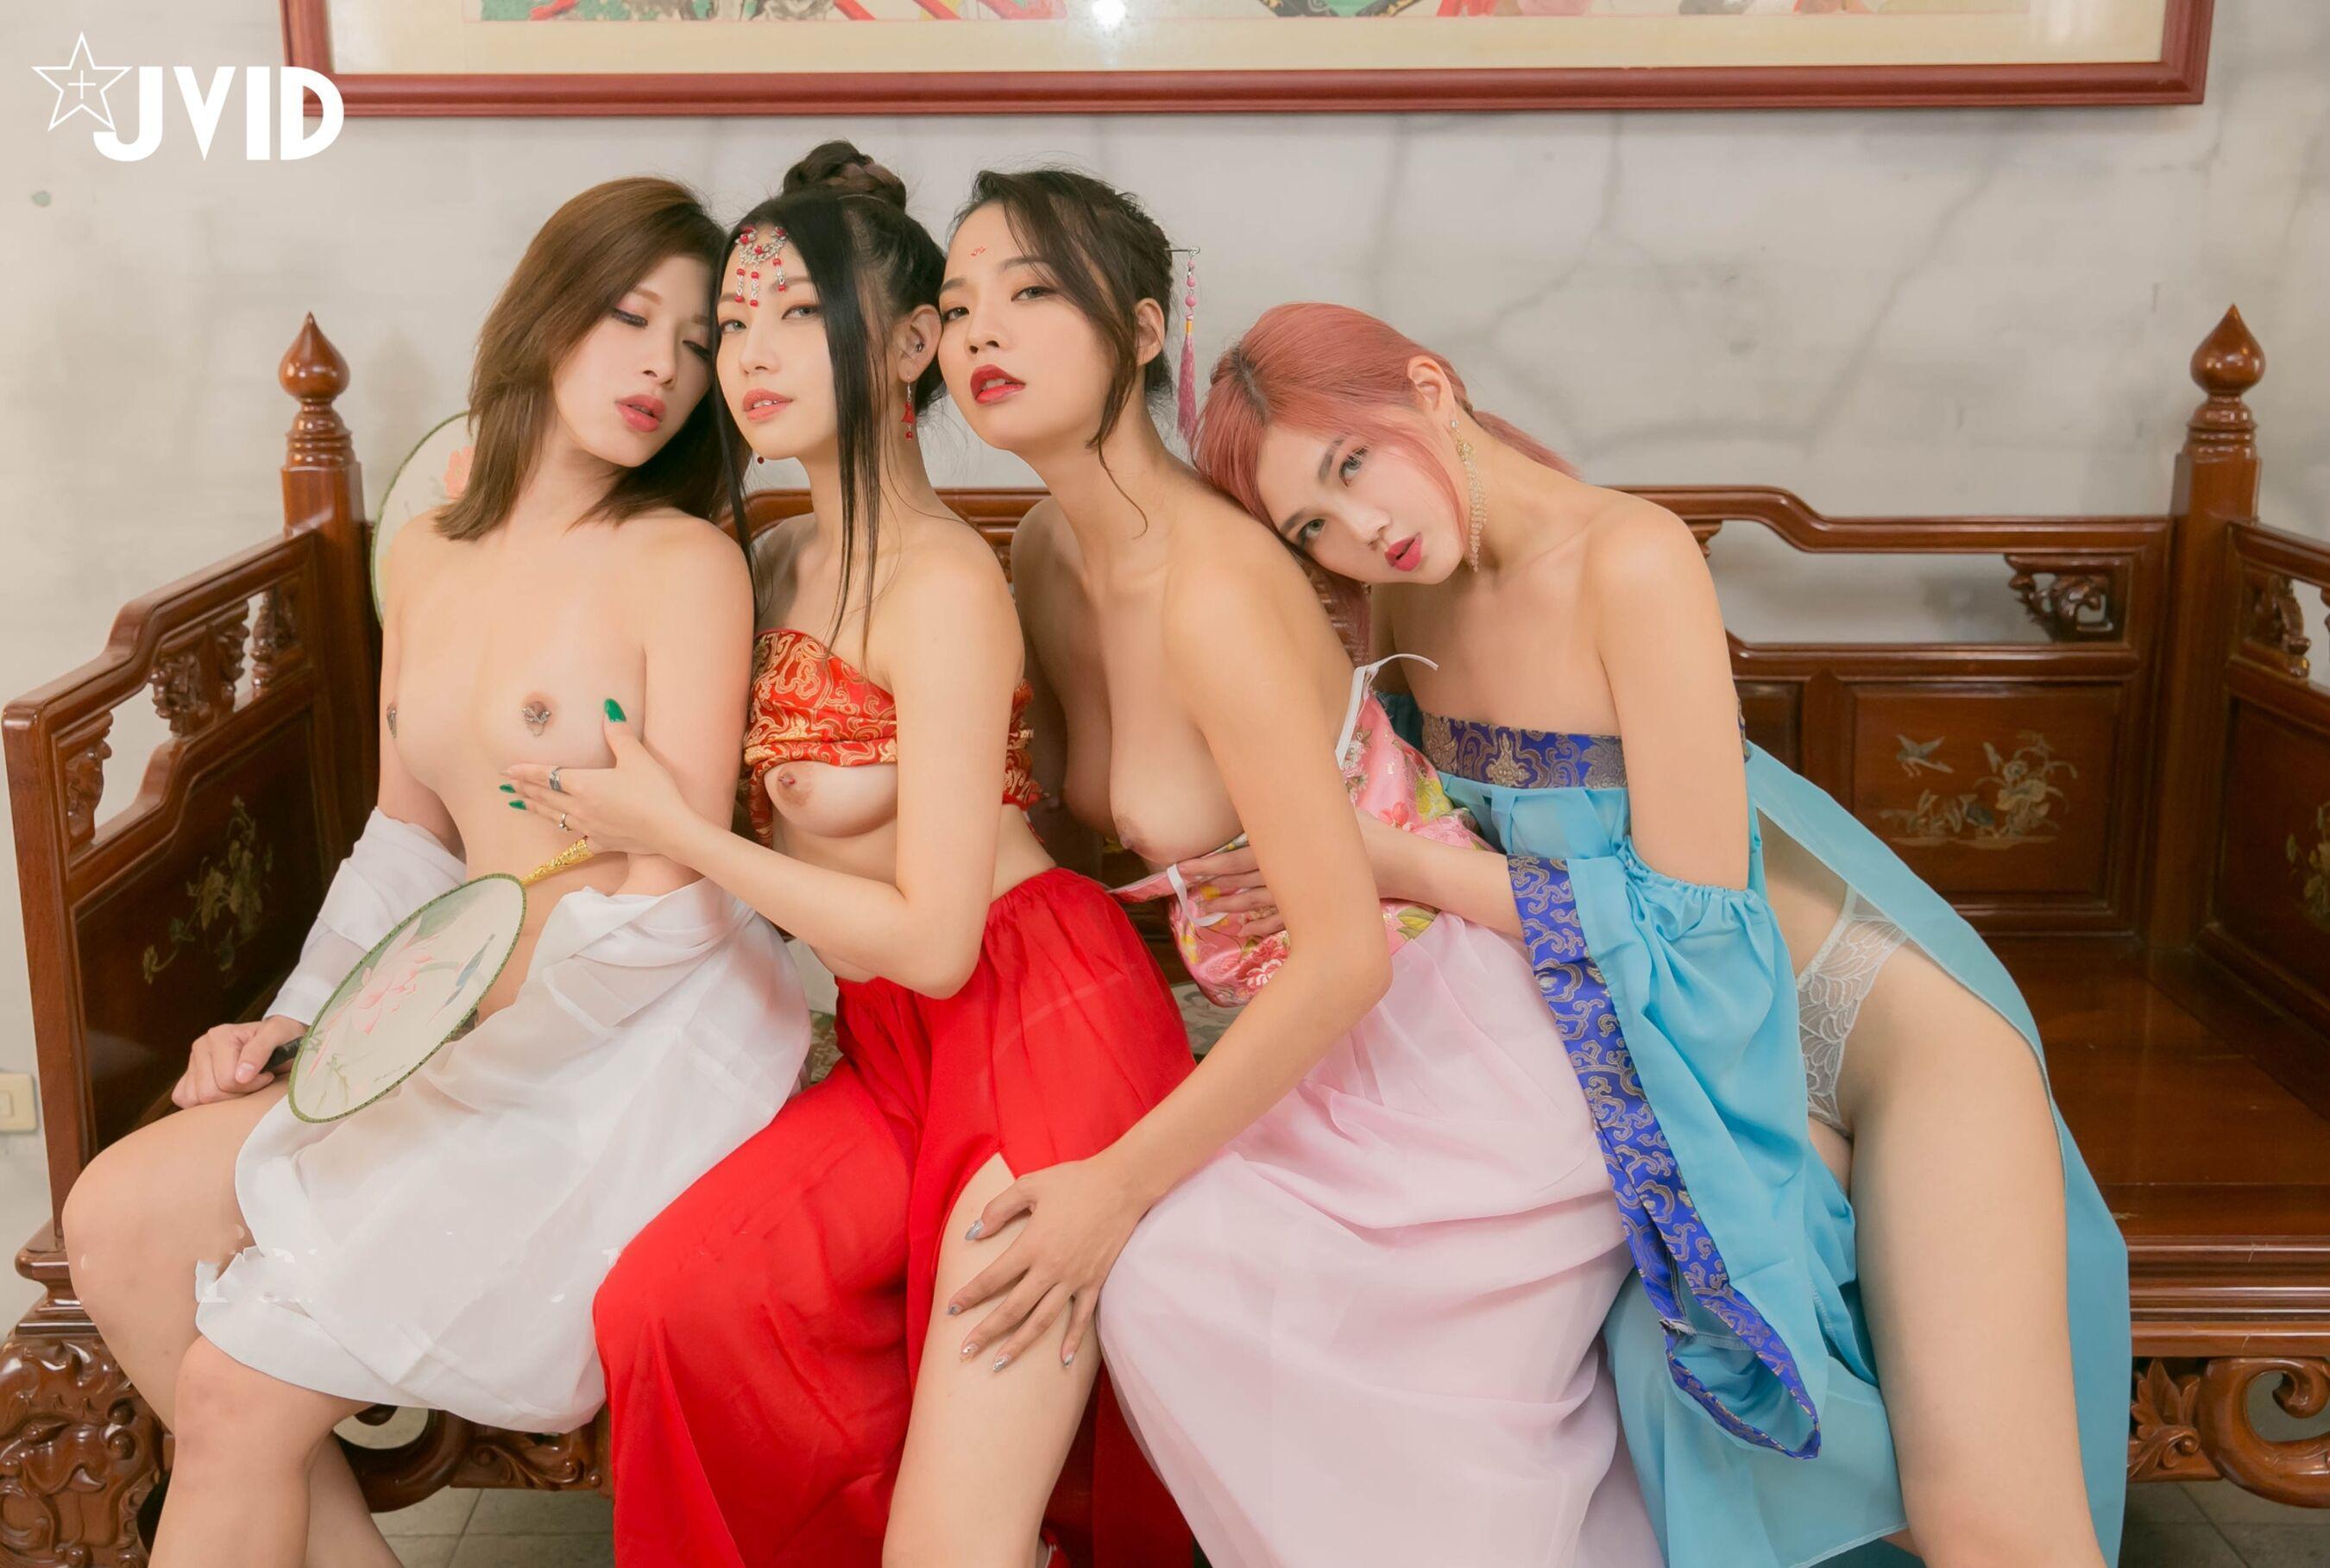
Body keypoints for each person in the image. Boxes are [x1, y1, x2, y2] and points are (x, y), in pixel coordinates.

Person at [1188, 299, 2132, 1568]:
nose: (1361, 530)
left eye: (1353, 464)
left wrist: (1398, 864)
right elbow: (1408, 839)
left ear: (1428, 388)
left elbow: (1693, 921)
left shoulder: (1630, 557)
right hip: (1662, 1051)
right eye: (1313, 523)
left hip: (1864, 1035)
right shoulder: (1401, 607)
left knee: (1989, 1519)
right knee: (1662, 1386)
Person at [60, 177, 809, 1568]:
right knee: (110, 1220)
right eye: (628, 315)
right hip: (437, 1023)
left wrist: (423, 1031)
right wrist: (303, 1022)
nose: (661, 365)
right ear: (543, 314)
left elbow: (675, 887)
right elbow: (405, 843)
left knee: (231, 1396)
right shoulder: (427, 556)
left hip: (617, 1049)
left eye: (698, 341)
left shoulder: (686, 562)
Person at [927, 167, 1660, 1568]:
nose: (982, 335)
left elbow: (1345, 954)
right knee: (1138, 1283)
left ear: (1145, 328)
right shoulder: (1042, 554)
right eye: (956, 309)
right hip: (1292, 1040)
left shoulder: (1213, 585)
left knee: (1169, 1286)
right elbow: (1065, 856)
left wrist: (1115, 1186)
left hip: (1442, 1038)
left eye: (1030, 291)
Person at [521, 145, 1191, 1568]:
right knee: (667, 1305)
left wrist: (687, 835)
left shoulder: (944, 583)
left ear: (906, 345)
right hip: (893, 1052)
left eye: (798, 315)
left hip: (1033, 1022)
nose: (752, 355)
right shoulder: (769, 564)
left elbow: (938, 939)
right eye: (735, 322)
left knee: (953, 1542)